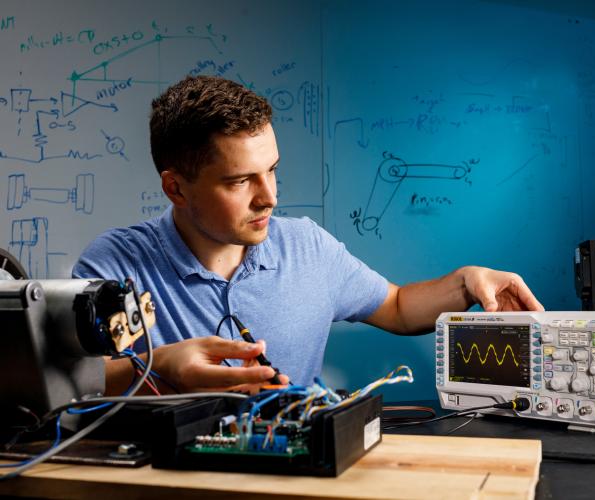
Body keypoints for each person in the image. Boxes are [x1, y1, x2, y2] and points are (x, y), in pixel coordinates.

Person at [73, 75, 544, 395]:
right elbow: (65, 380)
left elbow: (398, 307)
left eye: (272, 171)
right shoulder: (115, 265)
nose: (268, 198)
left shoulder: (307, 246)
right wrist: (161, 366)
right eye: (240, 182)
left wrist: (466, 281)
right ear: (176, 187)